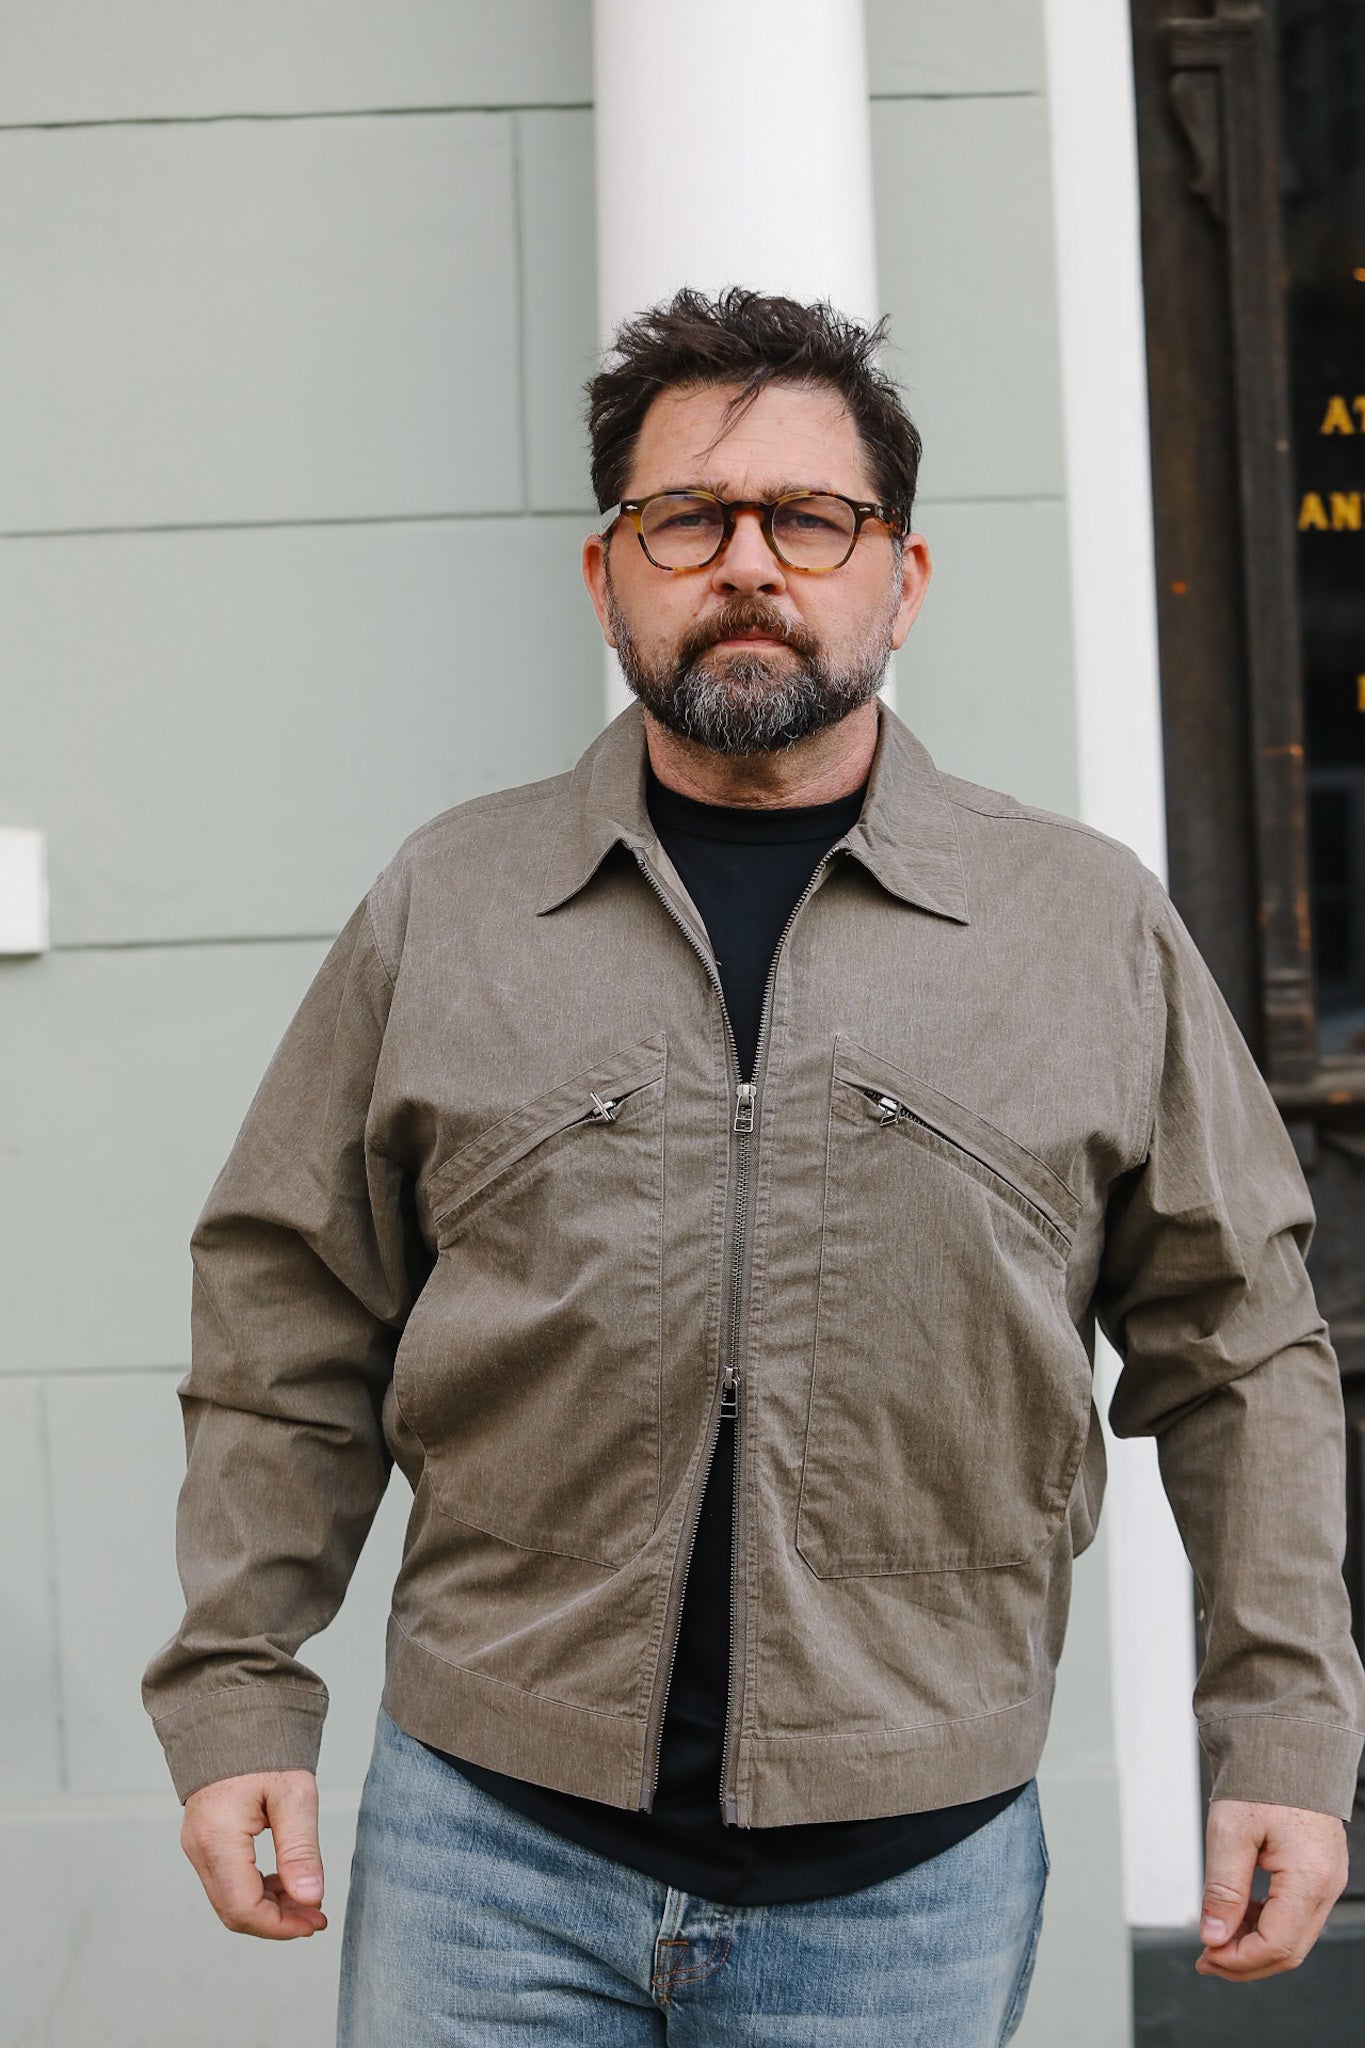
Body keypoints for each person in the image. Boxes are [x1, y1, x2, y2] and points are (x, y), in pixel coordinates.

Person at [143, 288, 1365, 2044]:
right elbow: (286, 1321)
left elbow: (1243, 1352)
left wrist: (1281, 1737)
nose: (748, 564)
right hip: (486, 1851)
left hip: (904, 1887)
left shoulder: (1079, 927)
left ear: (902, 576)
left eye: (810, 518)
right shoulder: (451, 907)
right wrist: (238, 1693)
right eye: (686, 519)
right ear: (606, 573)